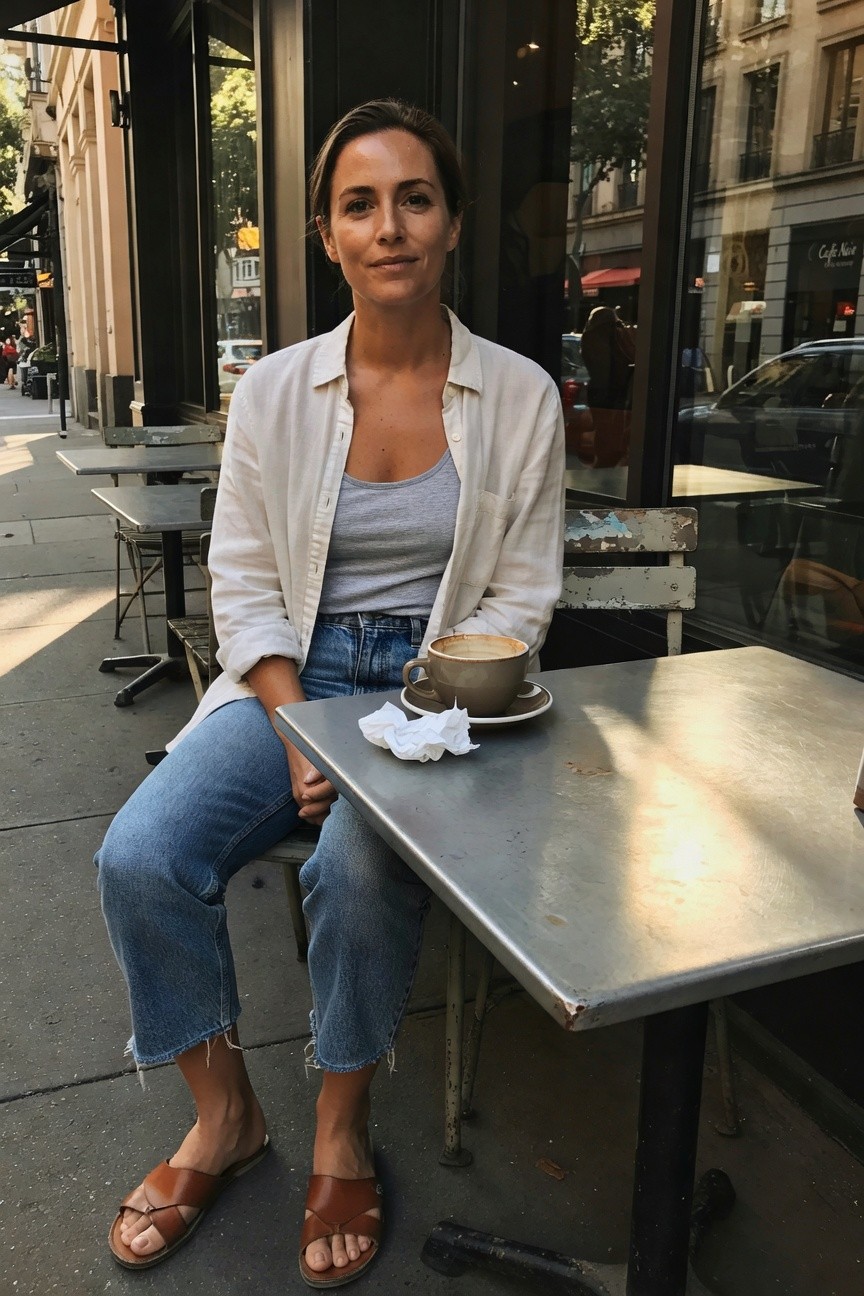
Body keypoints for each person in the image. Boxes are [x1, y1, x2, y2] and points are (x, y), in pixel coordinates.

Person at [96, 98, 564, 1287]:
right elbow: (243, 578)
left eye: (416, 198)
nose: (390, 225)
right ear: (327, 232)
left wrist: (409, 724)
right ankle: (225, 1116)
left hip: (440, 694)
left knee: (355, 868)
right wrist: (301, 722)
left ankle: (341, 1124)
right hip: (291, 678)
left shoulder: (519, 398)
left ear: (451, 223)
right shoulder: (272, 393)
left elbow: (521, 596)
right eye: (361, 204)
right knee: (141, 855)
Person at [579, 305, 636, 466]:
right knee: (615, 431)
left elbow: (599, 368)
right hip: (619, 390)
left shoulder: (590, 336)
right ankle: (609, 460)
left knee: (605, 432)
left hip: (601, 391)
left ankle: (604, 462)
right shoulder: (618, 333)